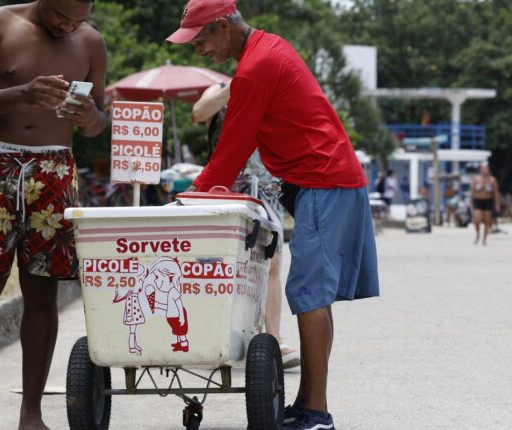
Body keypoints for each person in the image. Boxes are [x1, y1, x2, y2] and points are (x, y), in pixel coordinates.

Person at [167, 1, 380, 428]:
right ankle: (307, 403)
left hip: (324, 181)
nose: (198, 49)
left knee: (309, 294)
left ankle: (316, 414)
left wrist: (185, 202)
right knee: (313, 296)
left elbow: (232, 150)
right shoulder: (266, 48)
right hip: (326, 181)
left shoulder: (255, 67)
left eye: (202, 38)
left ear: (224, 27)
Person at [0, 1, 107, 429]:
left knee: (42, 294)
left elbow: (98, 121)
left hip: (55, 170)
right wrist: (22, 92)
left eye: (79, 17)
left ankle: (31, 414)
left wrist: (91, 116)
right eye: (63, 16)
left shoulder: (91, 41)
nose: (70, 26)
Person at [191, 79, 301, 368]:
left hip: (264, 188)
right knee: (219, 262)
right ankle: (213, 336)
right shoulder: (219, 87)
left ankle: (273, 339)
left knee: (272, 262)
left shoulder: (271, 92)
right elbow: (199, 112)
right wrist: (236, 87)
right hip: (225, 186)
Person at [470, 163, 500, 245]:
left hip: (488, 201)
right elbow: (472, 191)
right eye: (483, 168)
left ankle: (484, 238)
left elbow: (495, 192)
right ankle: (477, 235)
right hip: (478, 200)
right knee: (477, 219)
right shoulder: (476, 179)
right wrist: (471, 202)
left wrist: (497, 203)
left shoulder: (492, 180)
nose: (484, 170)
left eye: (486, 168)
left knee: (487, 220)